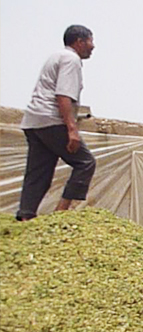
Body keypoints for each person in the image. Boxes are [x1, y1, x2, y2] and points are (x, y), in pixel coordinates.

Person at [15, 25, 97, 221]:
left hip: (34, 121)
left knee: (38, 172)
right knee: (85, 163)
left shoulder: (56, 56)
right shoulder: (71, 59)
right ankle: (60, 214)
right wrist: (72, 129)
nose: (93, 47)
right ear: (79, 41)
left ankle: (25, 216)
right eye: (90, 41)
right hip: (51, 120)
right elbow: (63, 96)